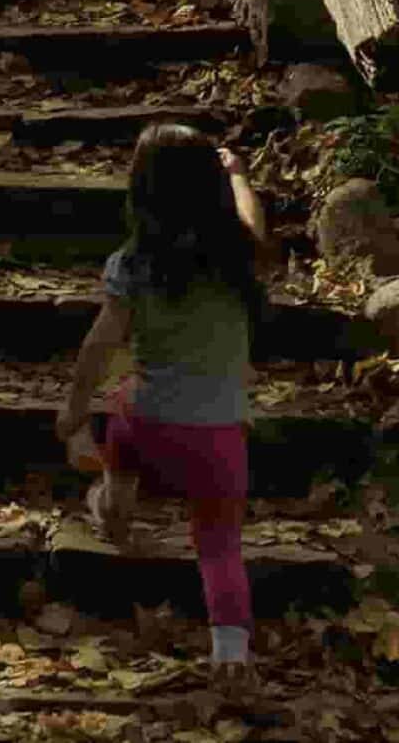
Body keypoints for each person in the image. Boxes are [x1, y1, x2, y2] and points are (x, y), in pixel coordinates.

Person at [55, 121, 274, 678]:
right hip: (221, 435)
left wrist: (75, 410)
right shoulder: (238, 256)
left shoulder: (135, 265)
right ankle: (229, 652)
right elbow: (253, 219)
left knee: (124, 423)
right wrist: (240, 177)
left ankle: (113, 507)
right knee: (219, 544)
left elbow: (98, 345)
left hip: (149, 423)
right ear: (212, 190)